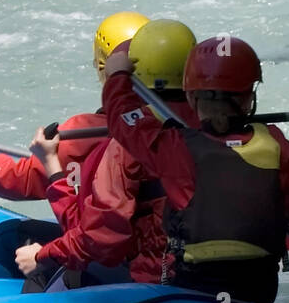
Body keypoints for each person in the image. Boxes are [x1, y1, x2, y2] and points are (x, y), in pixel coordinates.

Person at [100, 34, 289, 303]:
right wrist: (286, 211)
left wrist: (117, 76)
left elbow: (123, 120)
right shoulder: (276, 144)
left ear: (192, 97)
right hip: (259, 289)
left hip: (195, 287)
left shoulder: (173, 147)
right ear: (250, 97)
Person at [0, 11, 148, 277]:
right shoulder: (179, 126)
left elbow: (21, 179)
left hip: (120, 263)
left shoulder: (85, 133)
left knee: (9, 234)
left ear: (104, 69)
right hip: (154, 257)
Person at [14, 19, 201, 285]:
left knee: (41, 265)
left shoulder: (127, 146)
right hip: (236, 284)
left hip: (157, 284)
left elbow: (100, 240)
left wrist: (44, 254)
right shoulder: (223, 128)